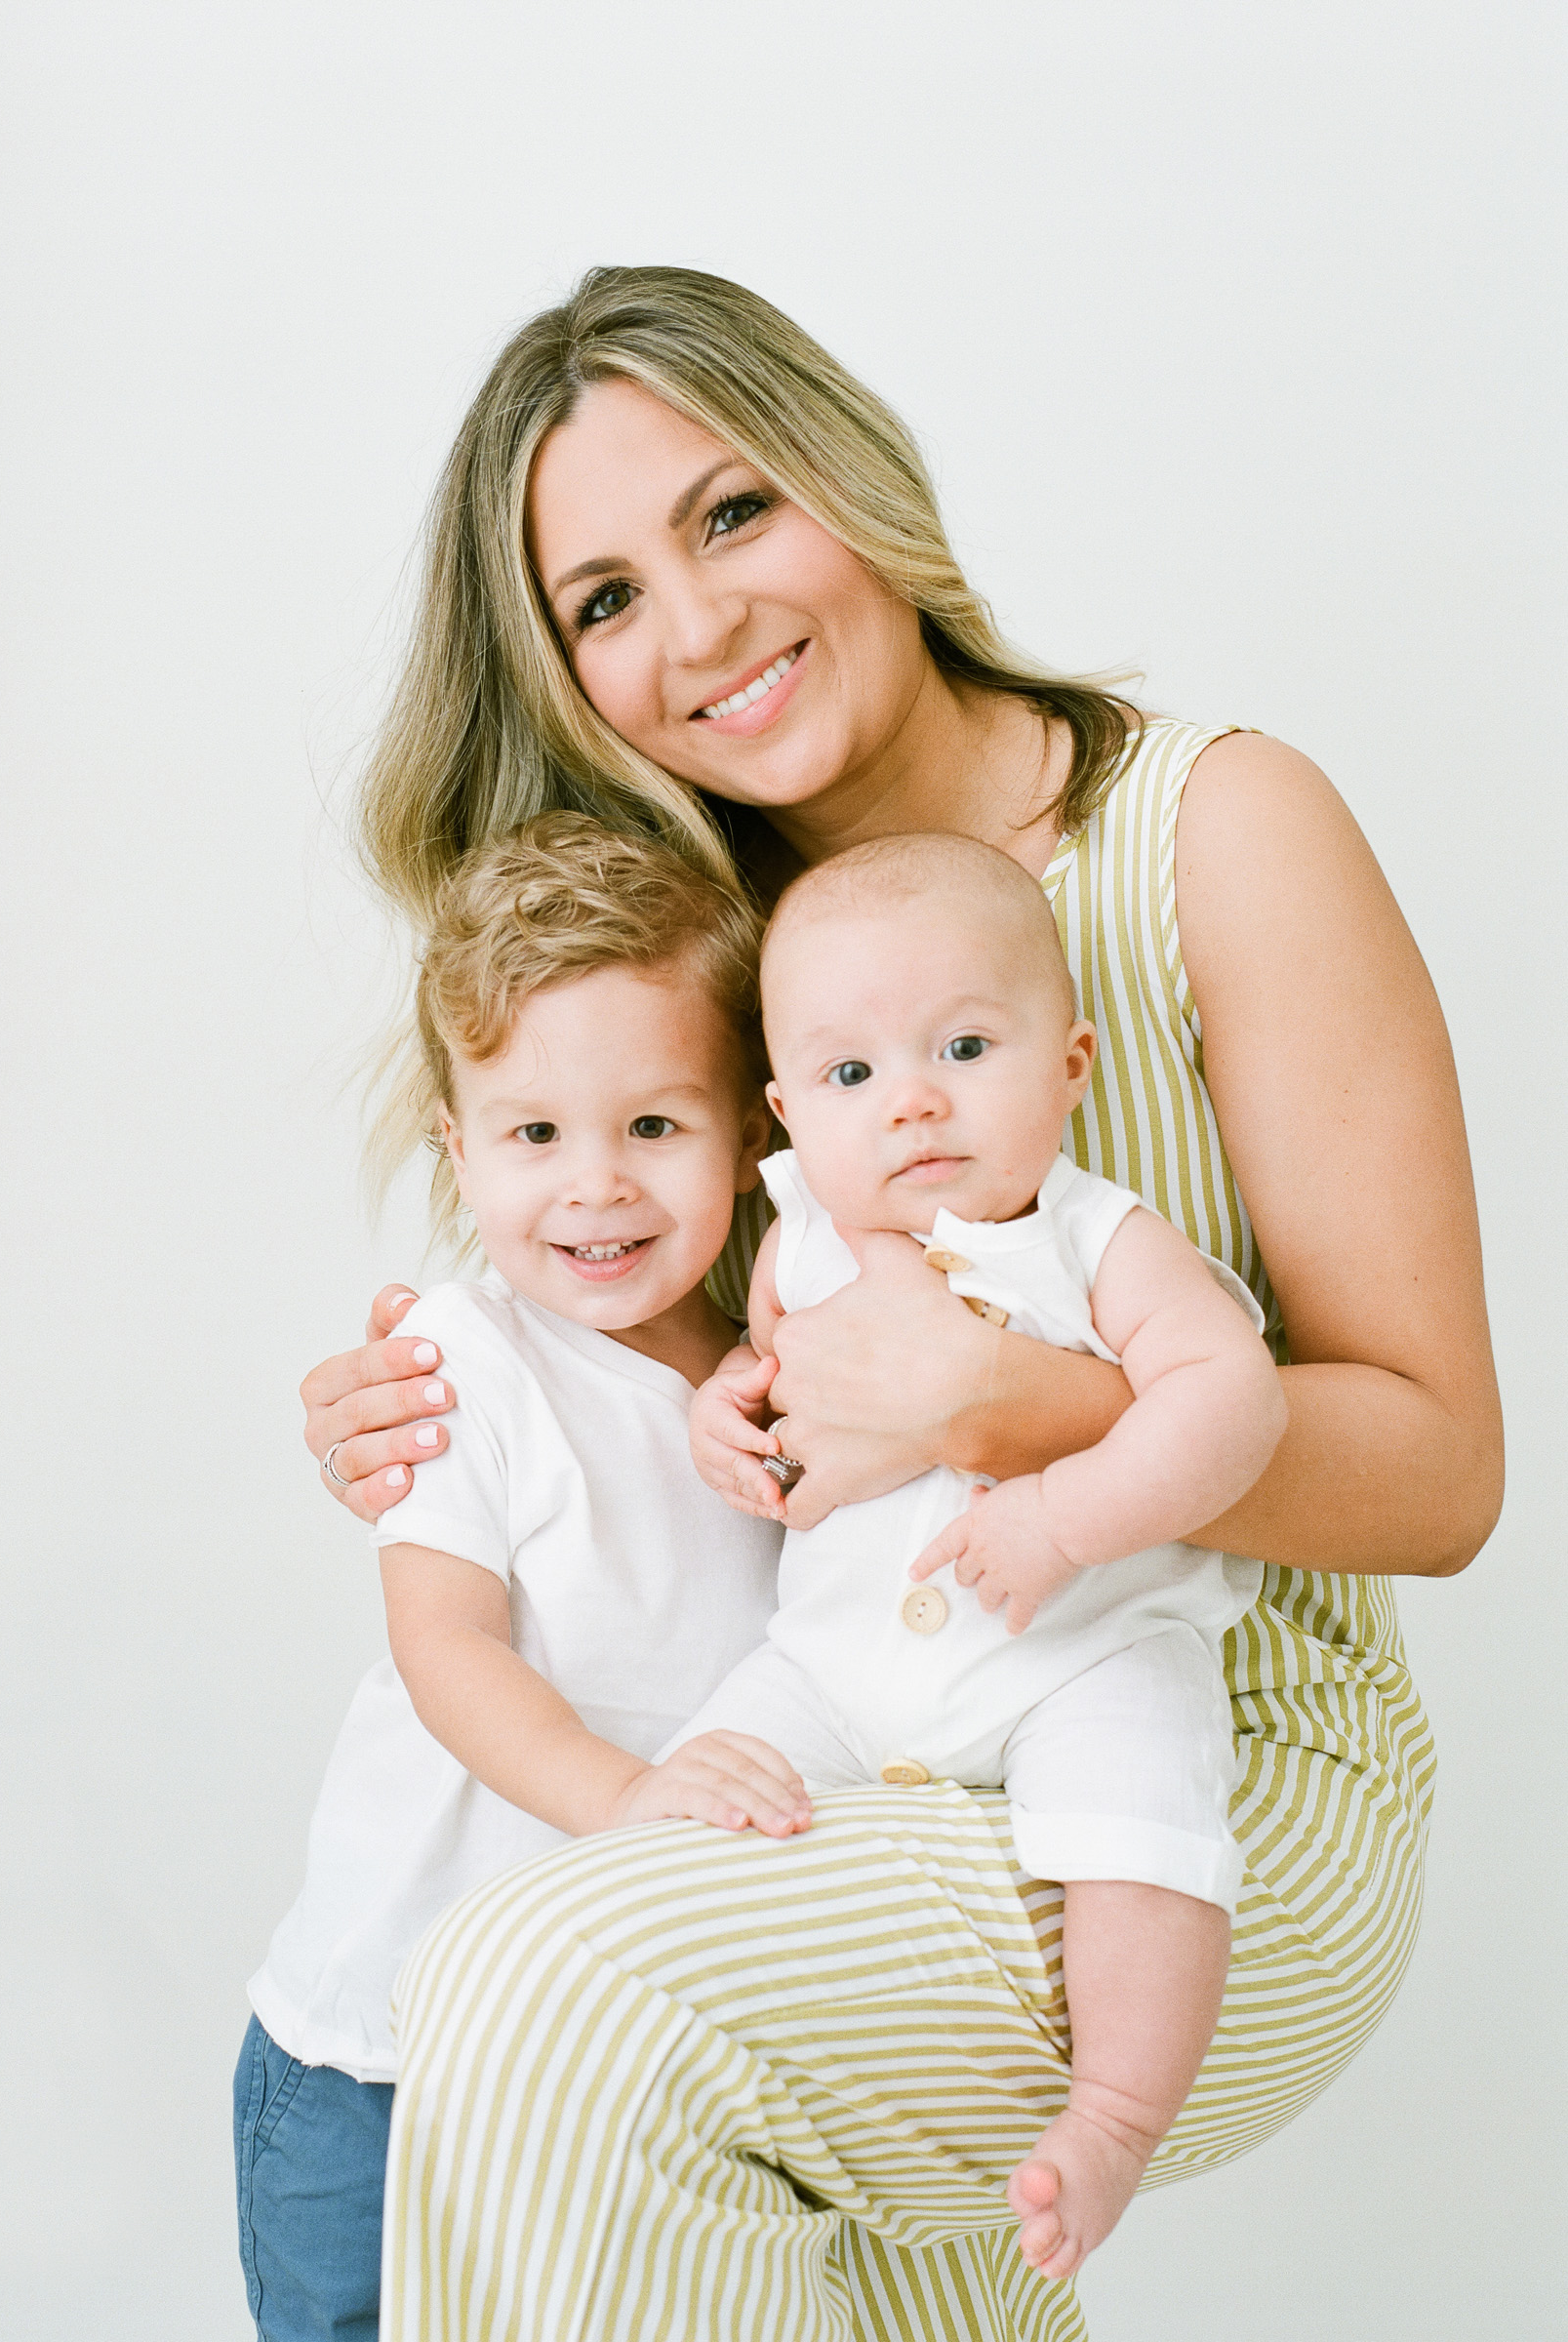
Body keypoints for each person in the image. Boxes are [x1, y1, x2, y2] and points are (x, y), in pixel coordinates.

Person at [299, 266, 1501, 2341]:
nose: (692, 631)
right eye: (599, 602)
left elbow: (1445, 1474)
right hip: (851, 1715)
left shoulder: (1212, 833)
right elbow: (706, 1382)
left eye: (731, 513)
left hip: (1195, 1765)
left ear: (851, 479)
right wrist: (437, 1400)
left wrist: (1018, 1412)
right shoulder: (709, 950)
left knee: (554, 1989)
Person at [666, 828, 1286, 2279]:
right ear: (784, 1110)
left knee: (1141, 1827)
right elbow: (773, 1387)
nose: (913, 1103)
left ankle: (1116, 2110)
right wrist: (724, 1419)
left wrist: (1066, 1520)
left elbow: (1230, 1398)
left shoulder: (1095, 1239)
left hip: (1073, 1655)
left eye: (962, 1044)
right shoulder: (796, 1239)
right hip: (829, 1670)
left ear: (1069, 1063)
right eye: (850, 1075)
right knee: (684, 1795)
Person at [237, 820, 800, 2342]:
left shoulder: (777, 1372)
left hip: (595, 2066)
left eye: (654, 1127)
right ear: (456, 1140)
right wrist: (622, 1798)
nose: (594, 1189)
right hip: (381, 2067)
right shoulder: (461, 1361)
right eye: (533, 1134)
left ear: (750, 1130)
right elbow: (449, 1647)